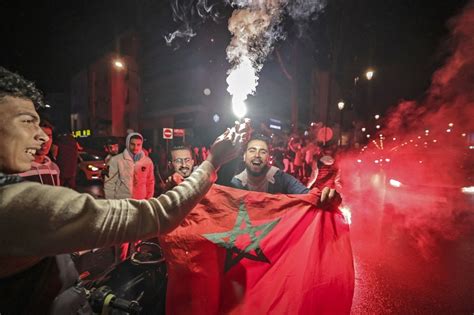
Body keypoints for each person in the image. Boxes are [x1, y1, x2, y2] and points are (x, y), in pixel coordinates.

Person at [0, 66, 250, 313]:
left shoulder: (145, 162)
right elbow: (157, 213)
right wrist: (213, 161)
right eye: (26, 122)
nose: (42, 137)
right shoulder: (12, 206)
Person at [231, 134, 339, 204]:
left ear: (268, 157)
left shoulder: (280, 177)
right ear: (244, 156)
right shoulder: (235, 184)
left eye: (263, 152)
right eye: (252, 150)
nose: (257, 155)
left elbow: (307, 195)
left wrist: (327, 199)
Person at [104, 132, 155, 200]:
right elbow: (109, 183)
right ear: (128, 144)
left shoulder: (147, 162)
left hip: (141, 202)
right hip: (122, 201)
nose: (135, 147)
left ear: (141, 145)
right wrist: (111, 203)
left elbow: (150, 182)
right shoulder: (116, 160)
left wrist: (149, 199)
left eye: (138, 144)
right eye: (132, 144)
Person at [18, 119, 60, 186]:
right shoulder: (19, 169)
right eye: (40, 137)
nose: (45, 141)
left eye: (49, 136)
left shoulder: (54, 168)